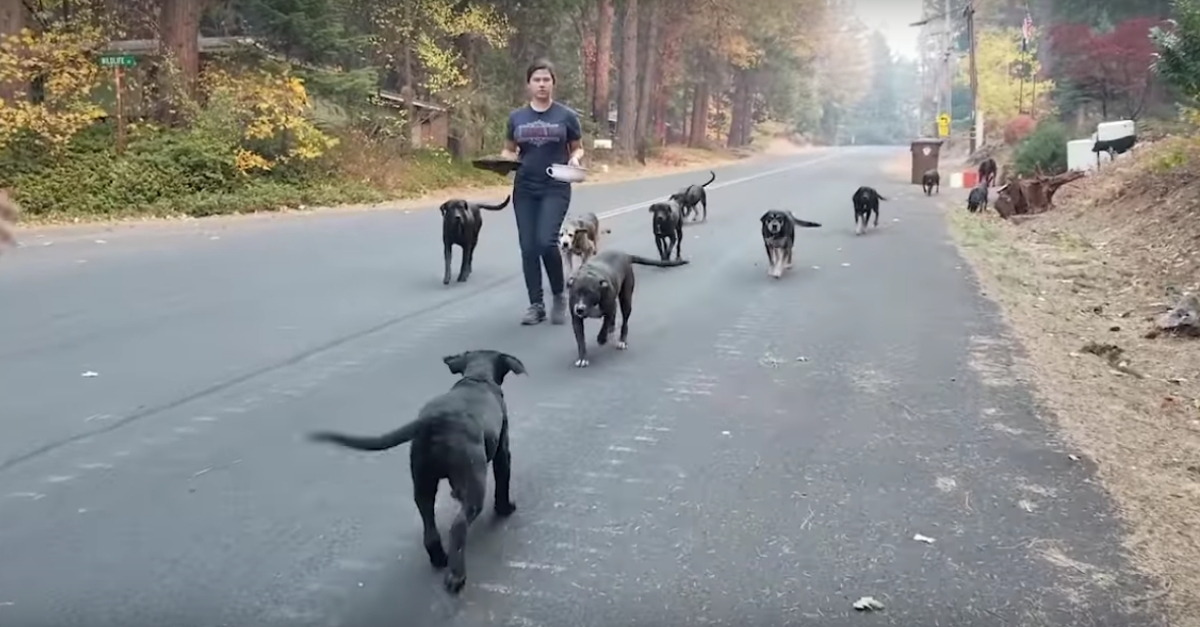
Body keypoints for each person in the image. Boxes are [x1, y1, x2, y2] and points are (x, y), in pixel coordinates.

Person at [501, 59, 585, 326]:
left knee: (546, 241)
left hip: (555, 186)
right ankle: (536, 305)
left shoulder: (566, 116)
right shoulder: (517, 117)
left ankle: (559, 295)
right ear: (529, 84)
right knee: (528, 247)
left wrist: (575, 159)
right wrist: (503, 161)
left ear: (553, 83)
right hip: (525, 187)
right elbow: (509, 150)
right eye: (536, 80)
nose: (541, 84)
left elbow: (577, 147)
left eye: (546, 79)